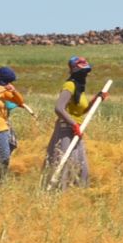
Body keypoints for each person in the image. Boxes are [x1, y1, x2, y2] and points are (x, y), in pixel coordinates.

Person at [44, 56, 95, 189]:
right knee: (64, 165)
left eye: (86, 72)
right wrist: (73, 124)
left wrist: (96, 100)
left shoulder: (79, 89)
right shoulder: (70, 85)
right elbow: (59, 108)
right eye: (82, 72)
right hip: (66, 130)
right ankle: (58, 194)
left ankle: (80, 194)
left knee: (81, 166)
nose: (85, 75)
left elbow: (81, 111)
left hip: (77, 130)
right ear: (74, 71)